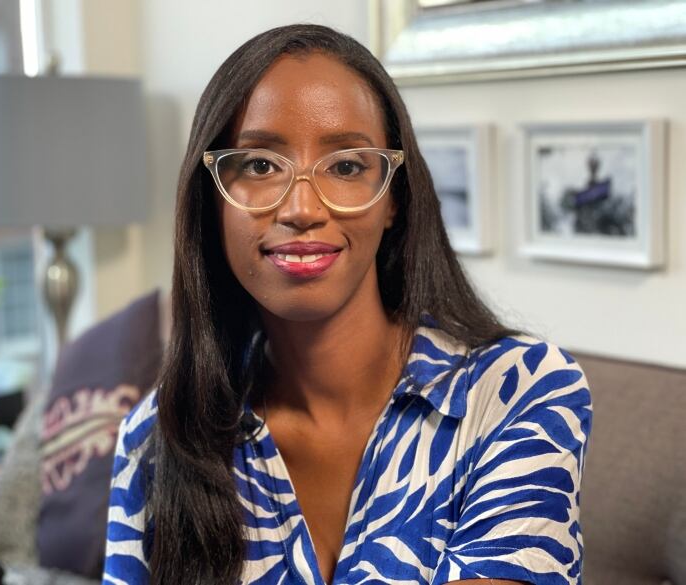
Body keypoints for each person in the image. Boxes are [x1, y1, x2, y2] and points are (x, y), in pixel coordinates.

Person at [103, 24, 592, 585]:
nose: (303, 209)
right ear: (211, 202)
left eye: (347, 166)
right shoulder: (158, 436)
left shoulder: (516, 391)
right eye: (260, 165)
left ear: (393, 201)